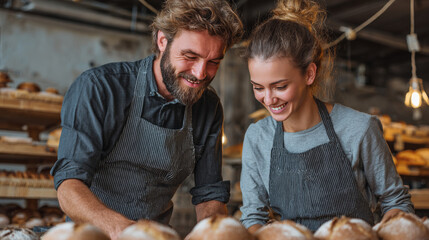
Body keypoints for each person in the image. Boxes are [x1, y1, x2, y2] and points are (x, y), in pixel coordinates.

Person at [50, 0, 243, 239]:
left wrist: (214, 234)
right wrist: (125, 232)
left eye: (214, 62)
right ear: (163, 41)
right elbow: (69, 185)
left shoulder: (208, 107)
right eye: (190, 56)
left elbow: (209, 194)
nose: (200, 73)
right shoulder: (101, 89)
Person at [239, 0, 414, 233]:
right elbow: (253, 216)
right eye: (258, 87)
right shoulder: (258, 137)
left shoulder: (359, 128)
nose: (268, 99)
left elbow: (397, 203)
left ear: (309, 73)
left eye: (280, 86)